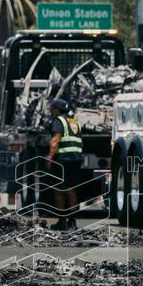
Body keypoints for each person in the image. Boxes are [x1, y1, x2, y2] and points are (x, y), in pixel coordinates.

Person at [44, 98, 82, 231]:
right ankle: (72, 222)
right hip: (76, 159)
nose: (51, 112)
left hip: (63, 159)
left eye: (52, 109)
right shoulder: (74, 122)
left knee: (58, 189)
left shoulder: (58, 121)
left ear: (57, 110)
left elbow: (55, 140)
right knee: (71, 189)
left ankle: (62, 221)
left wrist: (49, 157)